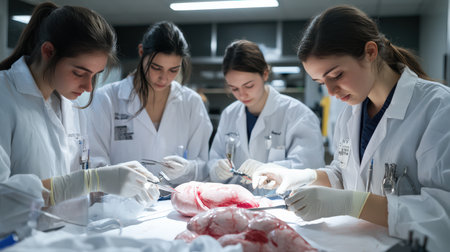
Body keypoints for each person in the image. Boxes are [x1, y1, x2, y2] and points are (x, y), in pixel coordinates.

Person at [245, 5, 450, 251]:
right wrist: (303, 177)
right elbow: (345, 174)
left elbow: (442, 212)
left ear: (370, 52)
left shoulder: (437, 108)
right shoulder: (351, 112)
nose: (330, 92)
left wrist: (353, 203)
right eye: (321, 82)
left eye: (337, 75)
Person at [0, 2, 160, 232]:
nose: (88, 87)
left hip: (67, 238)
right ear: (48, 52)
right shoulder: (5, 96)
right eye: (79, 73)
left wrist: (114, 186)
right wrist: (89, 180)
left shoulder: (68, 103)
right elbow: (3, 202)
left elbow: (76, 181)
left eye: (95, 76)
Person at [86, 21, 212, 186]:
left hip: (173, 207)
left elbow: (203, 167)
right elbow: (95, 162)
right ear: (141, 52)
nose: (164, 78)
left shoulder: (192, 103)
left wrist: (188, 169)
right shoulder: (106, 99)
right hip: (120, 206)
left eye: (173, 70)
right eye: (156, 67)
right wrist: (121, 180)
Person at [208, 40, 324, 195]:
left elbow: (310, 170)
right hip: (239, 205)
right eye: (234, 88)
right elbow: (215, 158)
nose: (242, 95)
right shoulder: (229, 114)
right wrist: (217, 168)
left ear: (265, 74)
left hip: (283, 207)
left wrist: (269, 170)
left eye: (249, 86)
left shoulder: (298, 115)